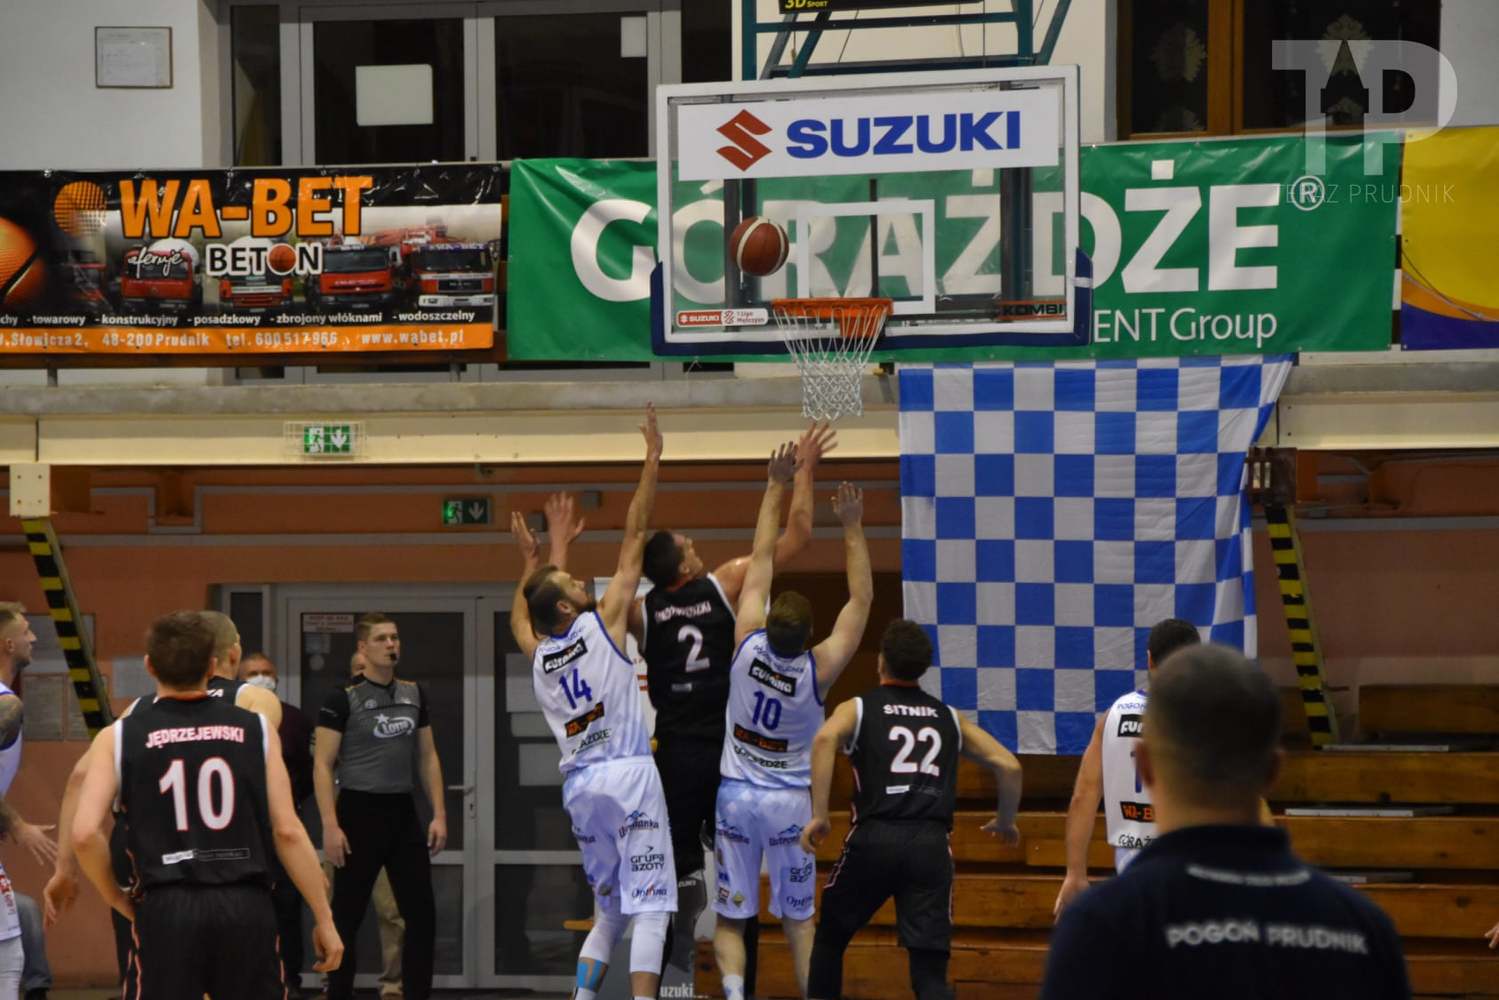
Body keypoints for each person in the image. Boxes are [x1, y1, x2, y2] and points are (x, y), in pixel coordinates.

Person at [1039, 644, 1410, 1000]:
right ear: (1273, 772)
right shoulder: (1362, 929)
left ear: (1147, 767)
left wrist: (1075, 872)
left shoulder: (1102, 928)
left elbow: (1084, 794)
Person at [69, 610, 342, 997]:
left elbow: (84, 834)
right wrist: (324, 917)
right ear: (213, 665)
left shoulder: (119, 734)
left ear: (149, 666)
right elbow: (287, 831)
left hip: (166, 903)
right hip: (245, 903)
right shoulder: (257, 728)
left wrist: (114, 895)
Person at [508, 403, 674, 1000]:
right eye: (574, 584)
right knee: (652, 905)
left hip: (581, 787)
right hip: (628, 775)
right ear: (565, 607)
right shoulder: (602, 623)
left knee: (609, 911)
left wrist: (534, 561)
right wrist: (651, 460)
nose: (583, 582)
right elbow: (634, 538)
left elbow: (521, 617)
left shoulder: (539, 652)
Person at [630, 423, 835, 887]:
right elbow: (799, 536)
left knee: (675, 870)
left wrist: (651, 460)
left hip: (676, 751)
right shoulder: (724, 583)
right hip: (727, 751)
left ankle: (671, 925)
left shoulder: (638, 611)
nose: (695, 547)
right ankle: (739, 929)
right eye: (689, 546)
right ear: (683, 565)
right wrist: (804, 472)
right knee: (736, 867)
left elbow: (631, 544)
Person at [43, 610, 283, 979]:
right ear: (231, 654)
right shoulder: (254, 700)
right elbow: (261, 770)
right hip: (225, 852)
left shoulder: (140, 709)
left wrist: (65, 867)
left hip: (152, 854)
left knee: (152, 971)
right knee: (234, 971)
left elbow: (79, 777)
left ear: (152, 665)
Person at [712, 450, 872, 1000]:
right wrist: (852, 526)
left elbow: (761, 557)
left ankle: (735, 994)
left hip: (736, 797)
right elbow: (861, 600)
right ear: (807, 635)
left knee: (731, 918)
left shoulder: (744, 640)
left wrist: (774, 485)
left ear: (769, 620)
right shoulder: (817, 669)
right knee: (799, 924)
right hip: (788, 805)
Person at [801, 620, 1023, 1000]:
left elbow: (823, 739)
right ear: (923, 668)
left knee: (830, 939)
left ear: (881, 661)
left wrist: (820, 815)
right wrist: (1005, 820)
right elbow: (1010, 766)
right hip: (929, 844)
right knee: (929, 973)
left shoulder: (859, 707)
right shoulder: (948, 716)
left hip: (874, 837)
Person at [315, 613, 444, 1000]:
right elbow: (322, 764)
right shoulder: (341, 698)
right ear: (363, 647)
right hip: (358, 811)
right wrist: (330, 825)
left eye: (395, 637)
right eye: (382, 638)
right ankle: (338, 993)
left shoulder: (414, 694)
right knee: (346, 916)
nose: (391, 644)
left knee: (421, 916)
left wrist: (439, 813)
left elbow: (428, 756)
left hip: (401, 811)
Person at [1052, 618, 1204, 918]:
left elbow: (1084, 795)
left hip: (1133, 868)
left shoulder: (1114, 715)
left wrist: (1074, 873)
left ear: (1149, 659)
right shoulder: (1208, 718)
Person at [330, 650, 406, 1000]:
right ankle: (334, 984)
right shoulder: (335, 711)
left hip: (386, 826)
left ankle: (393, 987)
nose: (364, 674)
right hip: (342, 828)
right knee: (337, 914)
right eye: (358, 669)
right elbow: (321, 764)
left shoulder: (399, 710)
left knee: (392, 911)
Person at [242, 652, 317, 995]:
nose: (261, 678)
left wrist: (288, 802)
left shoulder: (296, 720)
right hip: (241, 828)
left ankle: (290, 980)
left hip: (284, 823)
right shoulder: (228, 720)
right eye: (253, 673)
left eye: (266, 672)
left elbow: (309, 772)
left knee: (287, 904)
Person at [0, 606, 61, 1000]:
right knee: (9, 961)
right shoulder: (6, 706)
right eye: (26, 631)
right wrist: (16, 824)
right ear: (8, 644)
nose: (34, 638)